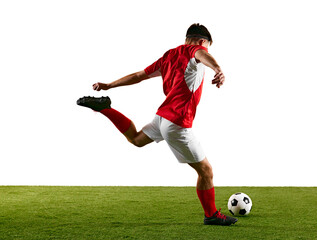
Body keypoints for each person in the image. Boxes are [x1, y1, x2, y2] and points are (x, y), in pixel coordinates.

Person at [77, 23, 237, 226]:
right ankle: (211, 215)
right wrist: (218, 69)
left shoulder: (168, 56)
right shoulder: (195, 50)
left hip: (163, 117)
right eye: (206, 47)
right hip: (177, 122)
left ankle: (105, 108)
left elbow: (138, 76)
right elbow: (201, 54)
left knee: (136, 139)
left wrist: (109, 85)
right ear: (202, 42)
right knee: (206, 171)